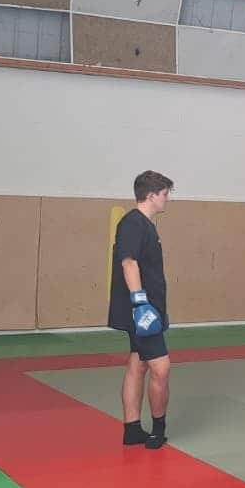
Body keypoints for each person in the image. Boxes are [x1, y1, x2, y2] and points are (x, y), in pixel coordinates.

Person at [109, 171, 173, 449]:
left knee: (138, 363)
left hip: (150, 308)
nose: (167, 199)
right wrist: (140, 304)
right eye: (164, 194)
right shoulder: (133, 223)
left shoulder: (146, 224)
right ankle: (159, 429)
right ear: (151, 195)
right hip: (142, 310)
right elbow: (128, 262)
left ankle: (132, 428)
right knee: (162, 368)